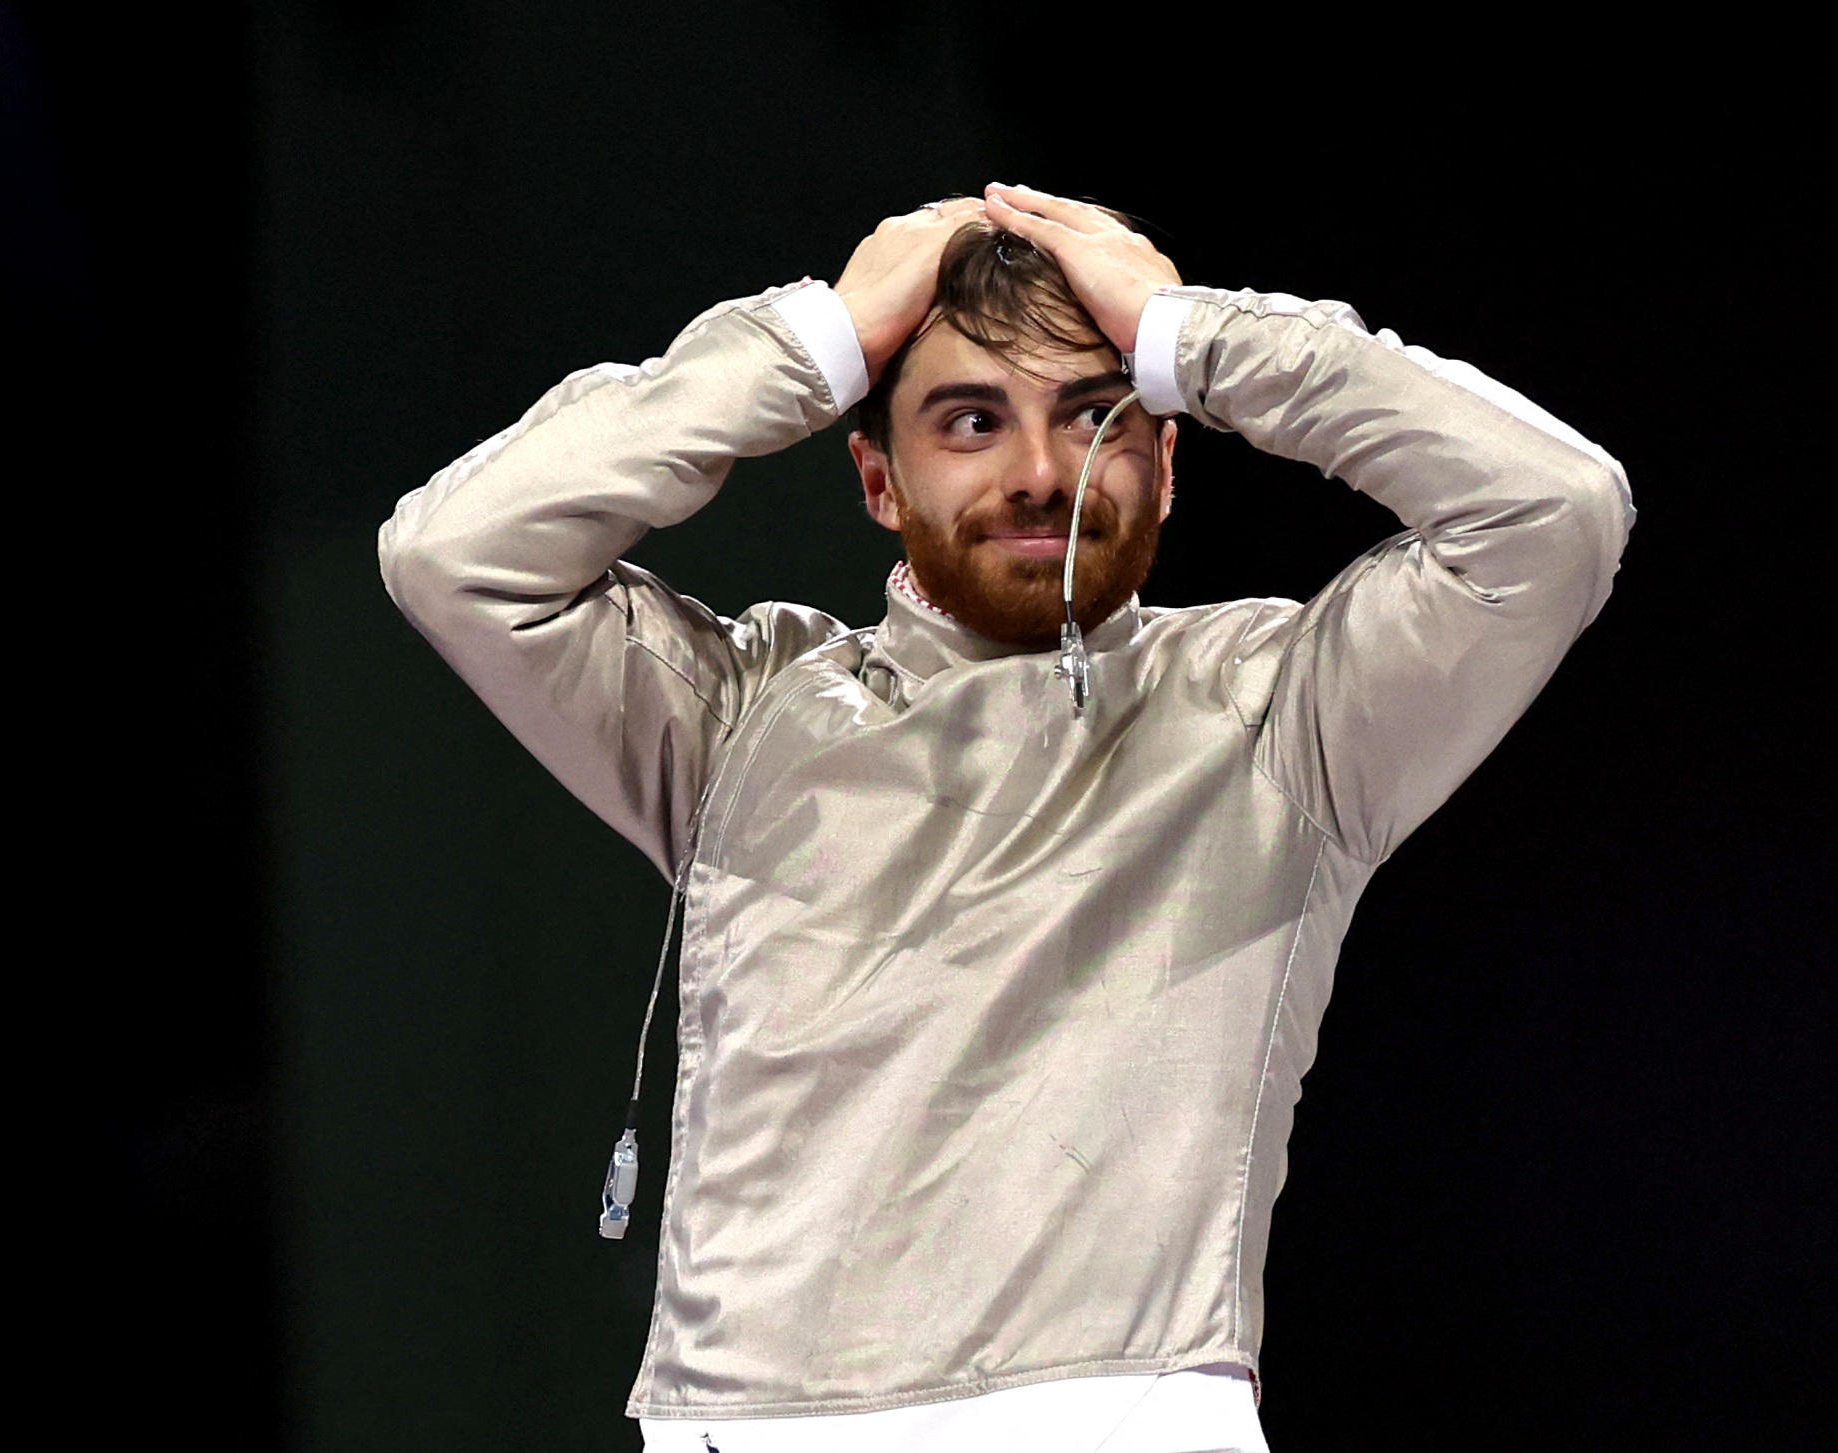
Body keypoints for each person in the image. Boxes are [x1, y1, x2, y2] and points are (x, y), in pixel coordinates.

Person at [378, 183, 1635, 1452]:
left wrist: (1199, 337)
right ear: (876, 475)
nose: (1042, 474)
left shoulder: (1283, 712)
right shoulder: (733, 711)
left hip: (1126, 1411)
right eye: (970, 421)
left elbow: (1557, 514)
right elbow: (456, 554)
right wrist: (810, 343)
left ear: (1169, 455)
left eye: (1098, 416)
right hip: (747, 1421)